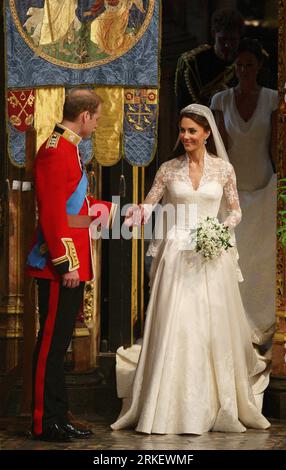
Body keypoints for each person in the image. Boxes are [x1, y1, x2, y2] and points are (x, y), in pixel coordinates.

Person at [111, 103, 270, 435]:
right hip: (178, 254)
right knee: (178, 324)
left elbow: (236, 211)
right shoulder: (169, 170)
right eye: (182, 130)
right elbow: (151, 202)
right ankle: (167, 405)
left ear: (207, 134)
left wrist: (220, 228)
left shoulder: (224, 170)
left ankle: (216, 403)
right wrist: (134, 213)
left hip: (211, 254)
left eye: (192, 131)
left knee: (210, 325)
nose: (185, 136)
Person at [27, 88, 102, 442]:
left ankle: (58, 416)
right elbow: (53, 213)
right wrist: (65, 263)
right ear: (85, 115)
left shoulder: (69, 148)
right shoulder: (57, 151)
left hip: (70, 263)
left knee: (59, 345)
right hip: (59, 268)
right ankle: (44, 420)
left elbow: (75, 208)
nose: (97, 125)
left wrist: (111, 213)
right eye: (97, 118)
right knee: (51, 346)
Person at [210, 38, 278, 398]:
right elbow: (220, 146)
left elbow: (274, 144)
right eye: (238, 66)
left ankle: (262, 322)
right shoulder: (221, 100)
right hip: (233, 185)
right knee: (235, 255)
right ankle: (235, 322)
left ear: (259, 68)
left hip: (264, 185)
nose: (243, 71)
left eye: (249, 66)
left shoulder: (271, 99)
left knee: (260, 257)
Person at [175, 8, 244, 110]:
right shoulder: (194, 63)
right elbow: (184, 104)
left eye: (233, 40)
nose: (227, 45)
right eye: (223, 39)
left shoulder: (248, 60)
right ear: (213, 34)